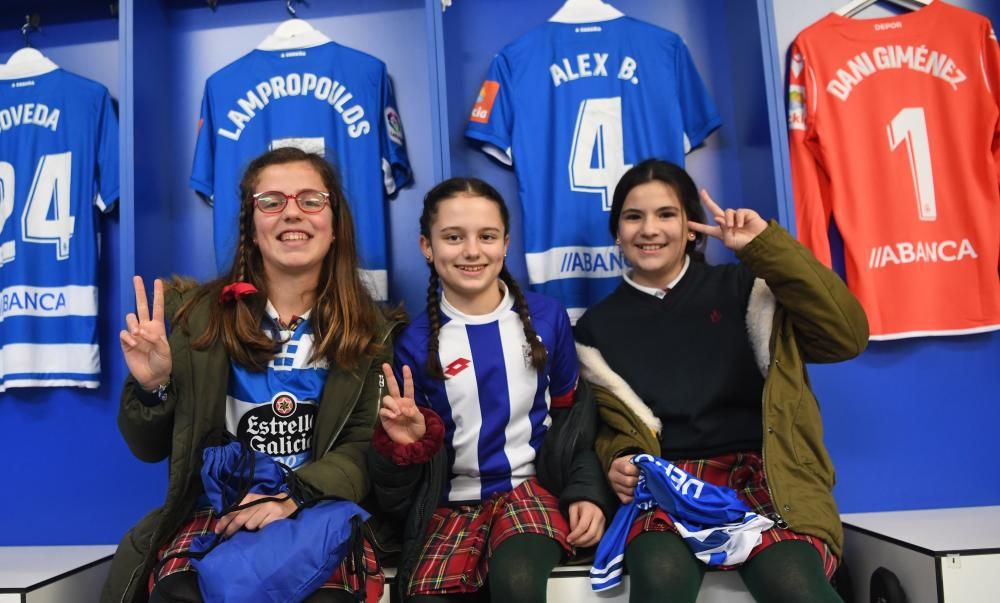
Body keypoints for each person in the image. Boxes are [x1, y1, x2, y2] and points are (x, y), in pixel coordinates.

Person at [102, 147, 396, 603]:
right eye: (271, 201)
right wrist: (154, 384)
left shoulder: (369, 330)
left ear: (335, 224)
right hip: (218, 511)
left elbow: (365, 445)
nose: (291, 213)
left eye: (311, 200)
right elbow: (146, 448)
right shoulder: (195, 318)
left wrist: (292, 498)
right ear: (251, 228)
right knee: (180, 595)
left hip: (316, 509)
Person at [574, 159, 868, 603]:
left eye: (666, 214)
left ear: (691, 228)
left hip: (765, 477)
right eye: (633, 217)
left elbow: (846, 336)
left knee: (795, 583)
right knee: (659, 575)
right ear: (617, 232)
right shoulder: (596, 327)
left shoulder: (749, 286)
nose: (649, 229)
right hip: (668, 487)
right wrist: (618, 458)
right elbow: (604, 427)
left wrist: (765, 248)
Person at [367, 177, 615, 602]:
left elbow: (573, 426)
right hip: (450, 508)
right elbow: (405, 473)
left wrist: (586, 493)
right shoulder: (412, 343)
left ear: (505, 243)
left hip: (530, 494)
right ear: (427, 246)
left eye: (486, 236)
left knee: (518, 582)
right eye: (452, 237)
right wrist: (407, 447)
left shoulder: (547, 319)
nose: (471, 250)